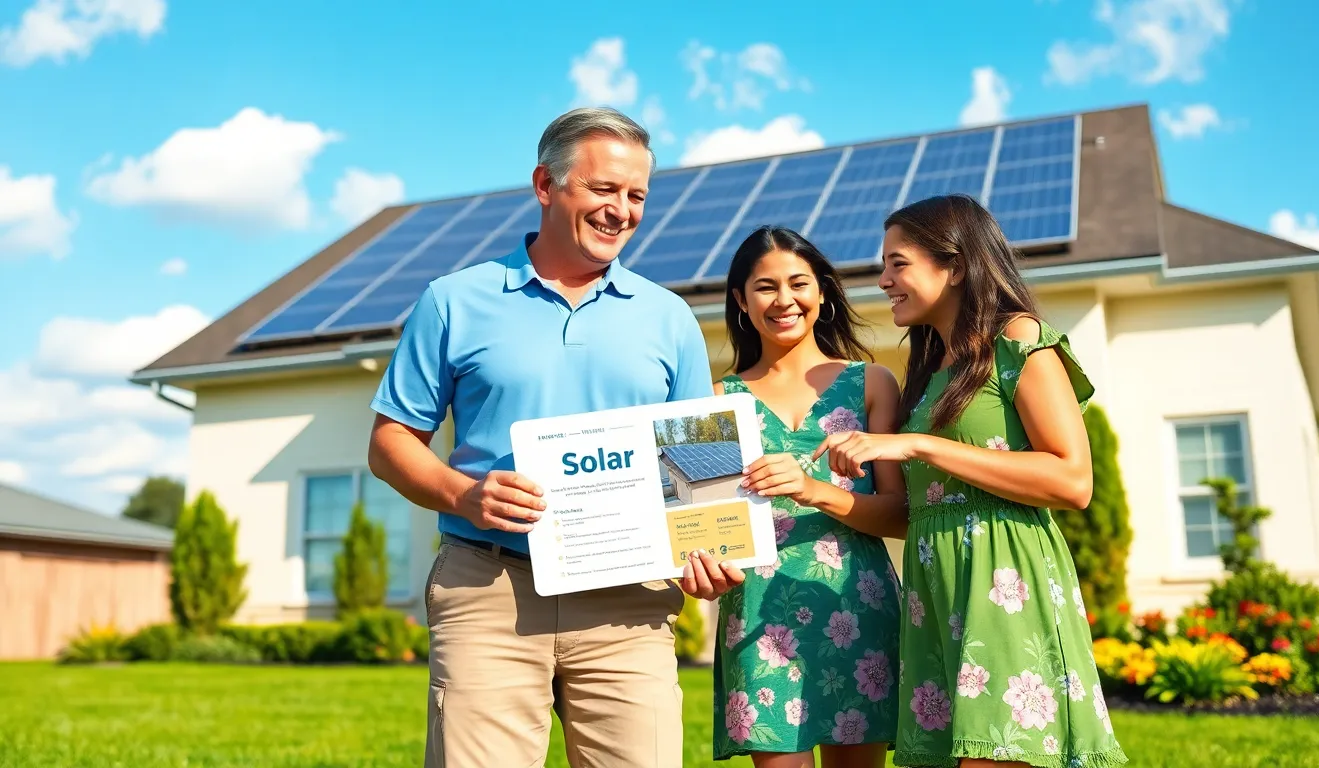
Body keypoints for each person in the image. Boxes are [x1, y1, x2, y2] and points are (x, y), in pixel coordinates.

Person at [366, 106, 746, 768]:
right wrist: (463, 494)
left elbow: (698, 464)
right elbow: (390, 441)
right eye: (604, 190)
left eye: (636, 196)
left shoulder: (670, 318)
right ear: (546, 185)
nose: (622, 210)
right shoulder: (454, 300)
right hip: (490, 589)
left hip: (630, 607)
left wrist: (708, 549)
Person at [811, 194, 1128, 768]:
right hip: (935, 591)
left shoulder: (1018, 338)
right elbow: (916, 512)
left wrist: (920, 443)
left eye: (897, 263)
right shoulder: (930, 369)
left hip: (1005, 581)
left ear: (954, 265)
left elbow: (1074, 479)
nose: (882, 280)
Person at [710, 225, 908, 767]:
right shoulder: (719, 401)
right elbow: (706, 525)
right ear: (741, 301)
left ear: (821, 290)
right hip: (757, 615)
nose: (784, 300)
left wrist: (815, 490)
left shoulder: (872, 382)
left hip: (857, 605)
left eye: (798, 283)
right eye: (764, 287)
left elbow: (900, 514)